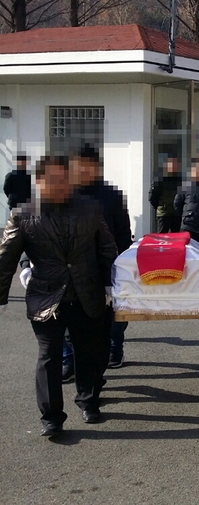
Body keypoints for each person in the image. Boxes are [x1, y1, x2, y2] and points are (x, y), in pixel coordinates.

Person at [0, 155, 117, 436]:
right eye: (52, 179)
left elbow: (106, 248)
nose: (60, 185)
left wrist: (111, 285)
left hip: (85, 292)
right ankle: (51, 416)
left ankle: (88, 401)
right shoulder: (23, 214)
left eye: (64, 179)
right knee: (49, 355)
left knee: (89, 351)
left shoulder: (89, 209)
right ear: (39, 181)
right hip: (46, 295)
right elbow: (5, 258)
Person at [68, 145, 133, 371]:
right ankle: (69, 360)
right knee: (71, 316)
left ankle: (115, 348)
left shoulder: (111, 195)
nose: (83, 171)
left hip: (108, 264)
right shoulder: (64, 193)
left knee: (115, 313)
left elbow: (123, 231)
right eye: (78, 166)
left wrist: (124, 262)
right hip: (74, 266)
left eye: (88, 166)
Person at [149, 156, 182, 233]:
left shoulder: (180, 179)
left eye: (176, 164)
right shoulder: (159, 179)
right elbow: (152, 197)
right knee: (161, 238)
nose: (174, 166)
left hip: (176, 214)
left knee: (177, 239)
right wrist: (161, 207)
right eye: (172, 164)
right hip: (163, 214)